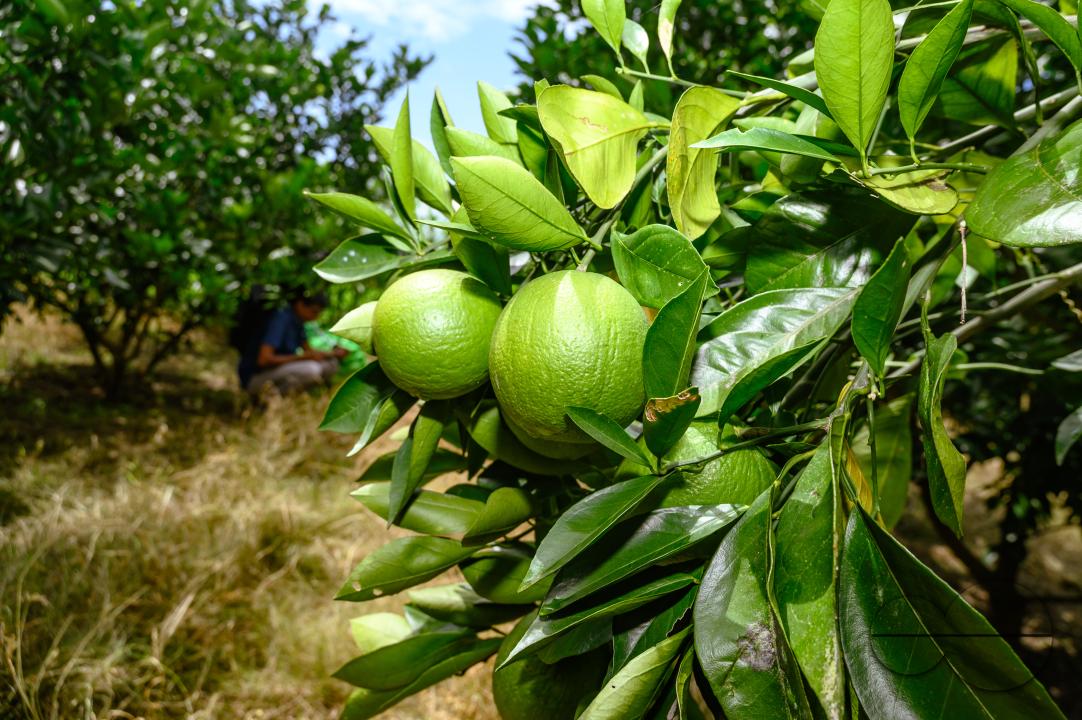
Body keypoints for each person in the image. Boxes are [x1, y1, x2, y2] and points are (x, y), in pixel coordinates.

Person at [237, 290, 346, 396]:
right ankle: (268, 401)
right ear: (300, 305)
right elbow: (264, 359)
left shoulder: (298, 322)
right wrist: (301, 358)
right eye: (314, 311)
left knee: (331, 364)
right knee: (311, 370)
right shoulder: (281, 319)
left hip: (279, 370)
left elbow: (311, 353)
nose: (316, 317)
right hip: (255, 378)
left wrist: (334, 353)